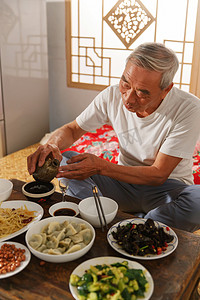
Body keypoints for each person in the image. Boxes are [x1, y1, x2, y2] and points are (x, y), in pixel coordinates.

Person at [27, 42, 200, 232]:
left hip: (167, 189)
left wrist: (102, 167)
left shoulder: (189, 108)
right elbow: (73, 129)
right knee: (67, 161)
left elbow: (159, 174)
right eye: (125, 83)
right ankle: (110, 217)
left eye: (142, 93)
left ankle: (139, 222)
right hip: (122, 182)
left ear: (166, 90)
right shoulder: (111, 95)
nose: (128, 98)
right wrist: (51, 145)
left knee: (197, 202)